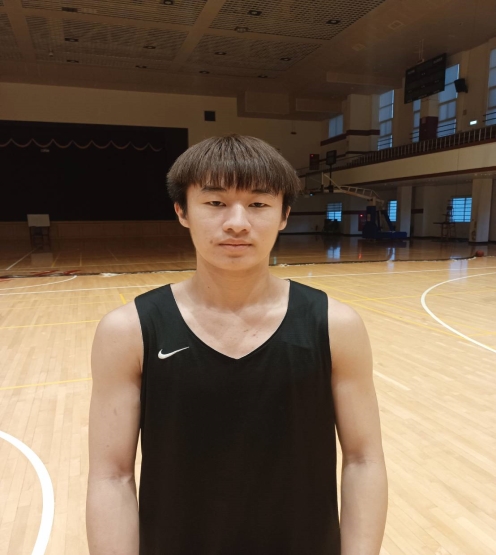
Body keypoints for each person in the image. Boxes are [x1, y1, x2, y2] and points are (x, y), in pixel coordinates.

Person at [86, 135, 388, 555]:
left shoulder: (336, 326)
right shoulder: (128, 331)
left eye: (258, 203)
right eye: (215, 202)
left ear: (284, 215)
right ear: (182, 211)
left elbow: (363, 460)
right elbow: (112, 476)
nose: (237, 222)